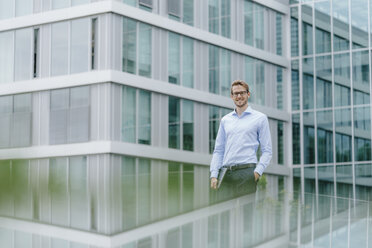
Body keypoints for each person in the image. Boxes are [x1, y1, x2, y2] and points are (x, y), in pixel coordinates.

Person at [210, 80, 272, 199]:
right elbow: (218, 150)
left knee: (246, 215)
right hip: (226, 172)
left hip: (247, 172)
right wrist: (214, 175)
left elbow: (267, 150)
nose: (239, 96)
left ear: (248, 94)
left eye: (242, 93)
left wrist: (257, 172)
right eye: (235, 94)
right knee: (222, 214)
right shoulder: (225, 120)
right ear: (231, 96)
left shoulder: (260, 118)